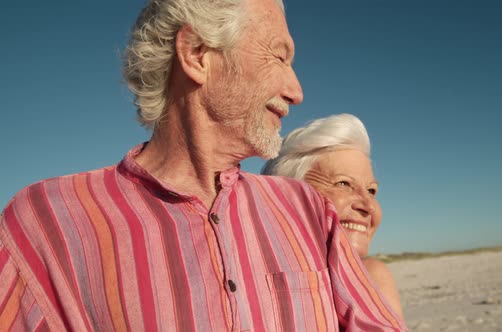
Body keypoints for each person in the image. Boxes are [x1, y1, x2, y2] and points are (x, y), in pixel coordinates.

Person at [0, 0, 406, 331]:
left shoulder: (308, 210)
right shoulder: (44, 222)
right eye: (279, 57)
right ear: (197, 54)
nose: (296, 91)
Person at [262, 113, 404, 318]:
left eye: (372, 191)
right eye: (344, 184)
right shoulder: (247, 279)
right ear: (286, 195)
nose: (368, 206)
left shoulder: (371, 276)